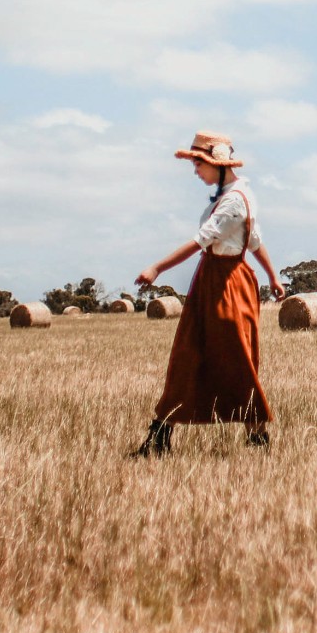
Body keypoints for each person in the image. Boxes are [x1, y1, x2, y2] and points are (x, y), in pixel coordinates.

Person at [130, 130, 286, 456]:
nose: (196, 172)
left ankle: (256, 435)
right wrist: (273, 277)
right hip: (209, 280)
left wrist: (157, 268)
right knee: (188, 355)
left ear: (217, 164)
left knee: (236, 358)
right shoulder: (228, 194)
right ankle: (160, 435)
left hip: (228, 284)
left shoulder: (235, 201)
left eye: (198, 165)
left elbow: (205, 240)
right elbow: (255, 242)